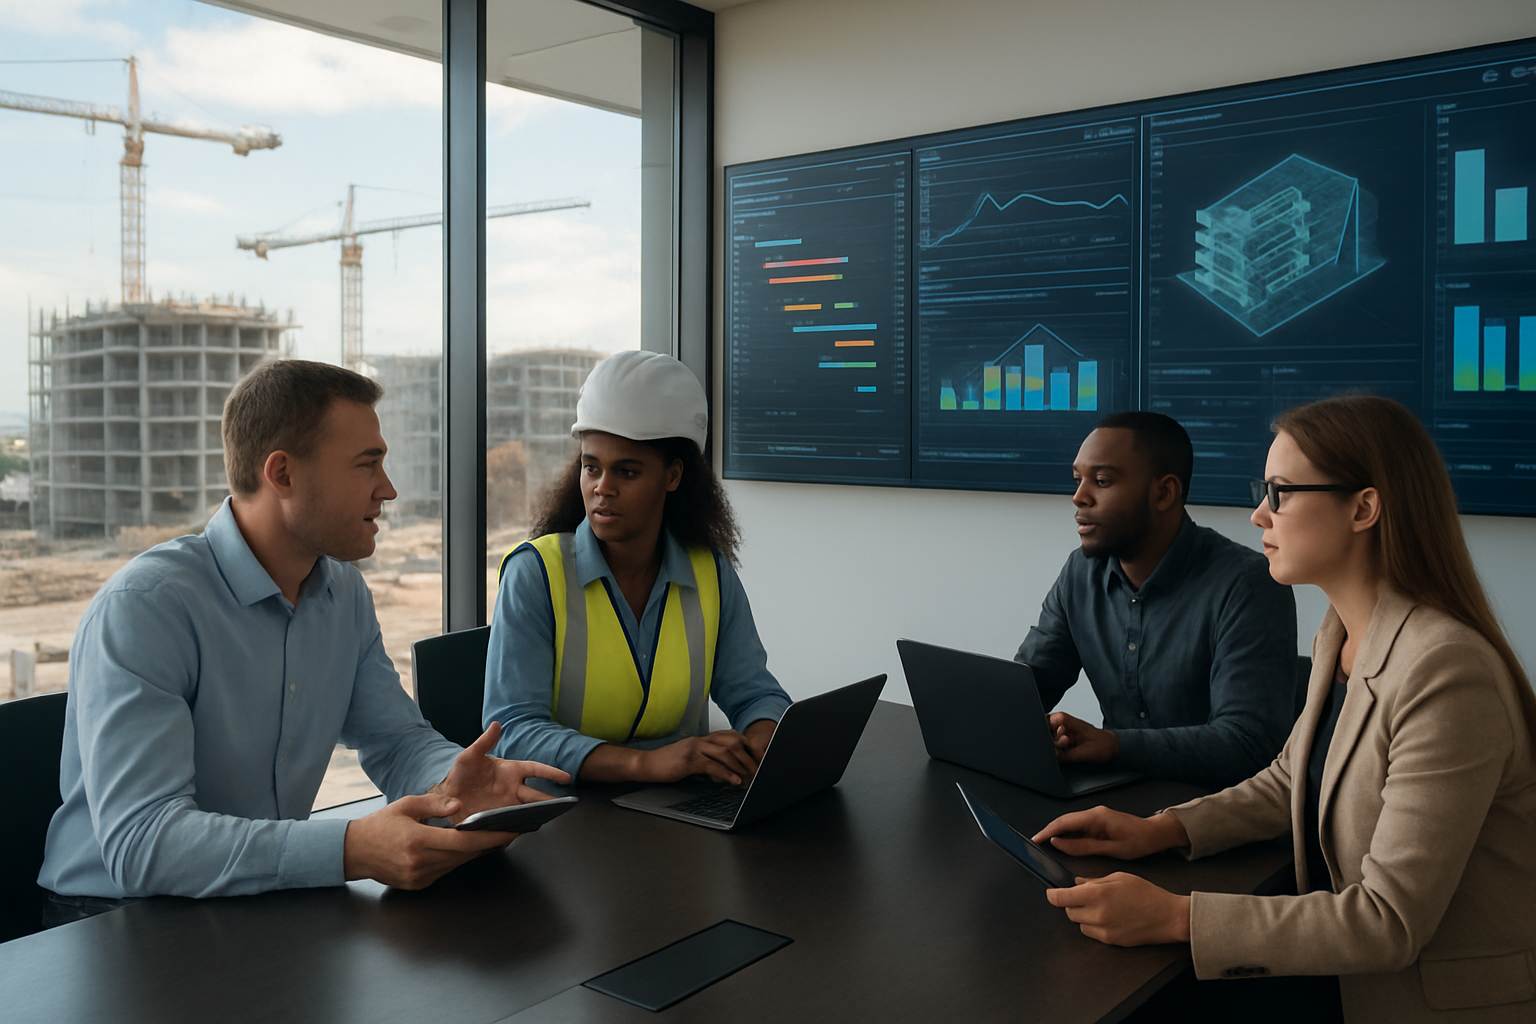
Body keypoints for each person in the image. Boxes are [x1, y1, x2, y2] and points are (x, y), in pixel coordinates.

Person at [1034, 395, 1536, 1023]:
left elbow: (1387, 921)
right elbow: (1290, 777)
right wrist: (1162, 830)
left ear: (1363, 507)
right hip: (1335, 977)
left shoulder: (1447, 672)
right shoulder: (1343, 633)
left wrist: (1173, 914)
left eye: (1280, 493)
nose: (1257, 515)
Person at [38, 360, 569, 922]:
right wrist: (350, 848)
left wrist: (453, 786)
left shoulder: (345, 594)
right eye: (368, 465)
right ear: (283, 475)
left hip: (256, 901)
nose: (387, 490)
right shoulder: (145, 608)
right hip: (107, 921)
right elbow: (143, 843)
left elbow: (396, 743)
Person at [484, 350, 791, 784]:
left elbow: (755, 692)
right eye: (591, 468)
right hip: (562, 816)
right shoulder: (535, 574)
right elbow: (511, 732)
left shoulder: (710, 571)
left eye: (626, 472)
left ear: (673, 476)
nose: (601, 488)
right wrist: (645, 764)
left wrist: (763, 736)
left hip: (674, 814)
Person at [1015, 411, 1298, 787]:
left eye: (1101, 481)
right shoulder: (1081, 572)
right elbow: (1029, 689)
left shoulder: (1248, 584)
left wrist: (1115, 745)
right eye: (1078, 480)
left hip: (1212, 816)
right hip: (1112, 798)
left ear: (1164, 492)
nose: (1079, 497)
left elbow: (1248, 744)